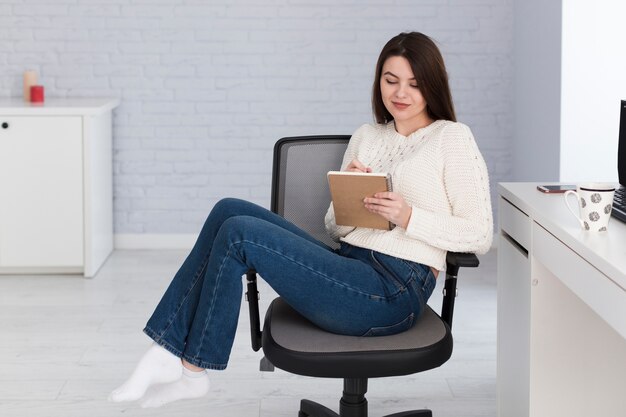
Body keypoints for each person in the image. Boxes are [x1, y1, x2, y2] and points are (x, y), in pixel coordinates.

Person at [109, 31, 493, 408]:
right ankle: (167, 350)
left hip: (393, 290)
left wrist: (408, 216)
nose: (400, 93)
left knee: (240, 234)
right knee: (228, 209)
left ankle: (191, 369)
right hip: (349, 263)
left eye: (413, 83)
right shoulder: (367, 136)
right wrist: (351, 198)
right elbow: (333, 227)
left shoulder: (451, 138)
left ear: (432, 86)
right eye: (390, 80)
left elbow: (480, 234)